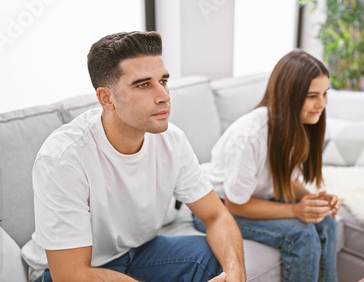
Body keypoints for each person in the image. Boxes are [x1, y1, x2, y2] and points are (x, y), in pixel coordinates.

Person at [21, 31, 245, 282]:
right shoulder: (62, 158)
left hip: (137, 253)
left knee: (218, 259)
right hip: (66, 272)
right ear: (107, 98)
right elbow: (70, 274)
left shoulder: (172, 140)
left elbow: (216, 216)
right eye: (143, 84)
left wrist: (235, 273)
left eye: (163, 81)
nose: (164, 96)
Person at [193, 49, 341, 282]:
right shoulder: (250, 136)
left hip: (252, 198)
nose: (321, 104)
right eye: (312, 95)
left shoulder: (297, 126)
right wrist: (295, 210)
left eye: (325, 94)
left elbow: (286, 179)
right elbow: (236, 204)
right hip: (215, 207)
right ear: (289, 95)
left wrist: (314, 200)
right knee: (302, 234)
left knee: (326, 220)